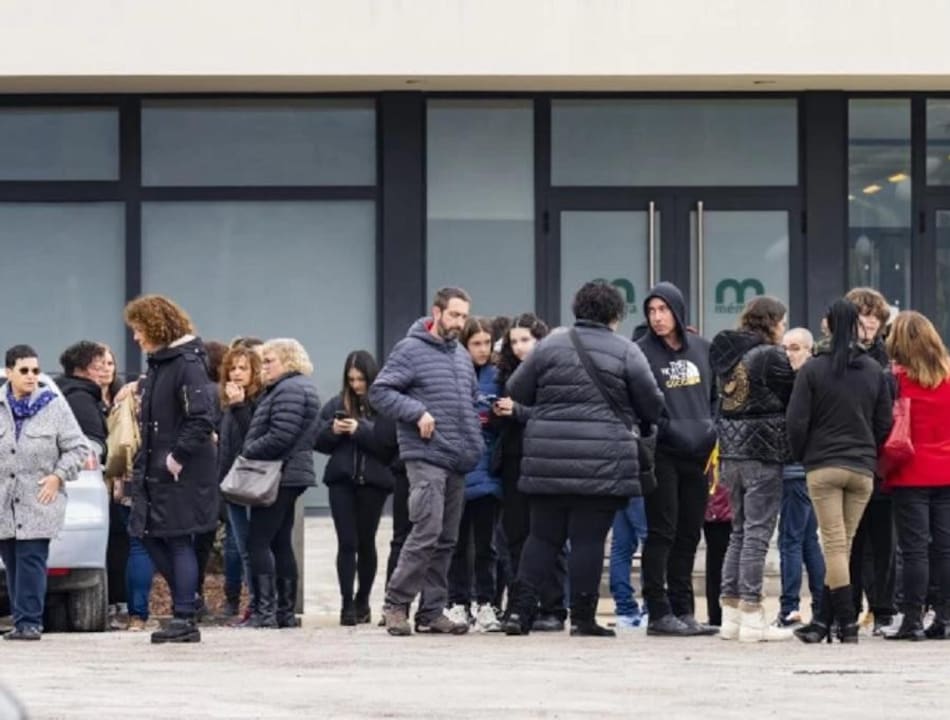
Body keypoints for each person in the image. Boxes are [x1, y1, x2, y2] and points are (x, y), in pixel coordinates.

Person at [502, 281, 665, 637]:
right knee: (589, 540)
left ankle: (518, 613)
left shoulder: (548, 346)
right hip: (602, 462)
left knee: (541, 538)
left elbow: (517, 390)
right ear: (615, 315)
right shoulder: (626, 351)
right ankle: (583, 618)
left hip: (547, 458)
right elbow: (652, 405)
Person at [370, 287, 485, 637]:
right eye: (454, 315)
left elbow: (467, 399)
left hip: (458, 458)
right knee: (426, 529)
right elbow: (380, 392)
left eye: (464, 316)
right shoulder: (410, 349)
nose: (459, 322)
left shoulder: (462, 356)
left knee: (447, 538)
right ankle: (396, 604)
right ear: (436, 312)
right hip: (425, 455)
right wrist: (417, 411)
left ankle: (431, 611)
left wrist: (483, 411)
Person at [785, 299, 892, 644]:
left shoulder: (813, 369)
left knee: (832, 543)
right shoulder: (874, 370)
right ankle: (823, 623)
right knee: (841, 546)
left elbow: (796, 421)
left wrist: (803, 454)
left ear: (828, 326)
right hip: (861, 468)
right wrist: (866, 449)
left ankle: (844, 622)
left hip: (824, 464)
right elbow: (884, 422)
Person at [124, 294, 219, 644]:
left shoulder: (186, 363)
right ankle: (187, 603)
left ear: (155, 326)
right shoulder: (162, 363)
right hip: (157, 467)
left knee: (177, 539)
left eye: (138, 329)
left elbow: (200, 418)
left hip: (180, 471)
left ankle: (183, 615)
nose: (135, 337)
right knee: (146, 533)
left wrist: (174, 458)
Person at [636, 282, 719, 636]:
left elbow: (717, 396)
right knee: (662, 532)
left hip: (699, 452)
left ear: (678, 310)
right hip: (663, 452)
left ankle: (685, 610)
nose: (657, 318)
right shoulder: (640, 352)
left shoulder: (704, 348)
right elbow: (639, 402)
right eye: (651, 311)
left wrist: (712, 428)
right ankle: (658, 611)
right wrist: (664, 428)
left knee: (689, 533)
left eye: (663, 310)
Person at [710, 296, 796, 642]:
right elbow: (793, 394)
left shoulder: (727, 356)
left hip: (730, 453)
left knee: (740, 533)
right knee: (758, 536)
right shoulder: (769, 355)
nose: (784, 327)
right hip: (762, 451)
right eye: (783, 321)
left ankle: (730, 615)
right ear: (771, 321)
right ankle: (752, 615)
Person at [0, 345, 88, 640]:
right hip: (4, 500)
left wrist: (57, 477)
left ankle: (30, 623)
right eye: (23, 370)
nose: (30, 376)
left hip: (38, 497)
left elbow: (77, 448)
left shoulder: (54, 406)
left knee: (30, 558)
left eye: (35, 371)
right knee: (12, 560)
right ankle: (21, 619)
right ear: (9, 372)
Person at [241, 339, 321, 629]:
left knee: (258, 541)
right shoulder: (299, 387)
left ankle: (266, 612)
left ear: (287, 360)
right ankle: (284, 613)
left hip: (279, 474)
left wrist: (248, 450)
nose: (263, 368)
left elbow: (280, 435)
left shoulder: (289, 389)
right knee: (280, 541)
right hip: (291, 473)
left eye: (269, 361)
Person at [494, 313, 567, 631]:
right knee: (515, 535)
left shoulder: (555, 369)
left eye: (525, 340)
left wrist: (519, 411)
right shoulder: (505, 374)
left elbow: (557, 415)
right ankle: (522, 604)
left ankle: (553, 607)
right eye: (514, 341)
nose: (520, 347)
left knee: (548, 534)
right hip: (513, 459)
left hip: (546, 459)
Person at [882, 311, 950, 640]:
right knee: (945, 548)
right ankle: (945, 618)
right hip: (947, 471)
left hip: (909, 472)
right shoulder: (948, 375)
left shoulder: (895, 379)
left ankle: (911, 619)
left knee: (914, 550)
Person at [315, 350, 396, 626]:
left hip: (373, 483)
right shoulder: (337, 403)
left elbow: (387, 445)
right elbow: (316, 440)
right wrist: (333, 430)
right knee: (346, 542)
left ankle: (363, 600)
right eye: (351, 379)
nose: (356, 385)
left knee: (366, 542)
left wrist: (360, 429)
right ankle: (346, 603)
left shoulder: (385, 406)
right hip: (342, 481)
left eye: (361, 379)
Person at [845, 287, 898, 634]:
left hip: (882, 461)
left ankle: (883, 609)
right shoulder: (837, 358)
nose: (868, 322)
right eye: (862, 315)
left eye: (875, 316)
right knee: (851, 539)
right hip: (850, 457)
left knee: (883, 541)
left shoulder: (888, 360)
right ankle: (848, 608)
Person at [447, 318, 504, 632]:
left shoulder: (499, 377)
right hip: (458, 469)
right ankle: (457, 603)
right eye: (476, 344)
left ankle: (486, 603)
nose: (482, 350)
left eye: (486, 343)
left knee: (487, 546)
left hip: (488, 473)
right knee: (456, 545)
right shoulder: (453, 374)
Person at [776, 328, 826, 628]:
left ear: (809, 349)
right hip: (807, 469)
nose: (788, 354)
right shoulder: (805, 379)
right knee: (807, 539)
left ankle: (790, 607)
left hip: (798, 469)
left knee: (791, 539)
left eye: (794, 348)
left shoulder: (804, 381)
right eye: (784, 348)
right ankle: (821, 603)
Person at [216, 344, 264, 623]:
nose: (236, 373)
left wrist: (239, 406)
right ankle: (249, 603)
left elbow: (253, 437)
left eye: (243, 368)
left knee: (249, 547)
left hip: (252, 483)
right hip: (231, 483)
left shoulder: (256, 400)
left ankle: (257, 604)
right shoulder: (227, 402)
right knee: (240, 547)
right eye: (232, 368)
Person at [56, 341, 108, 459]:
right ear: (79, 370)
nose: (102, 373)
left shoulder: (62, 391)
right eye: (97, 368)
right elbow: (94, 443)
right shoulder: (80, 399)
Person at [609, 496, 648, 629]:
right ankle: (651, 608)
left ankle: (625, 611)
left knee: (620, 548)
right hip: (641, 485)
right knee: (651, 542)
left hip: (619, 485)